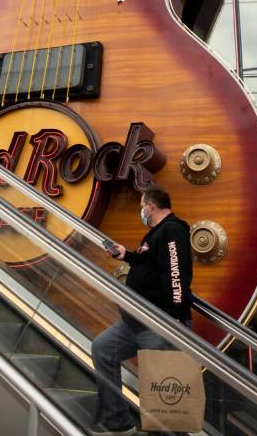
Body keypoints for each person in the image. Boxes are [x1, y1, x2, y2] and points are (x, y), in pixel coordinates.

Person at [90, 187, 193, 436]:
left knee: (162, 389)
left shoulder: (172, 230)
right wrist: (127, 255)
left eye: (141, 206)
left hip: (158, 322)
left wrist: (174, 318)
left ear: (151, 206)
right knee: (103, 349)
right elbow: (150, 265)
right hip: (133, 322)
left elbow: (176, 273)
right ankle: (118, 423)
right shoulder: (156, 234)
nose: (141, 211)